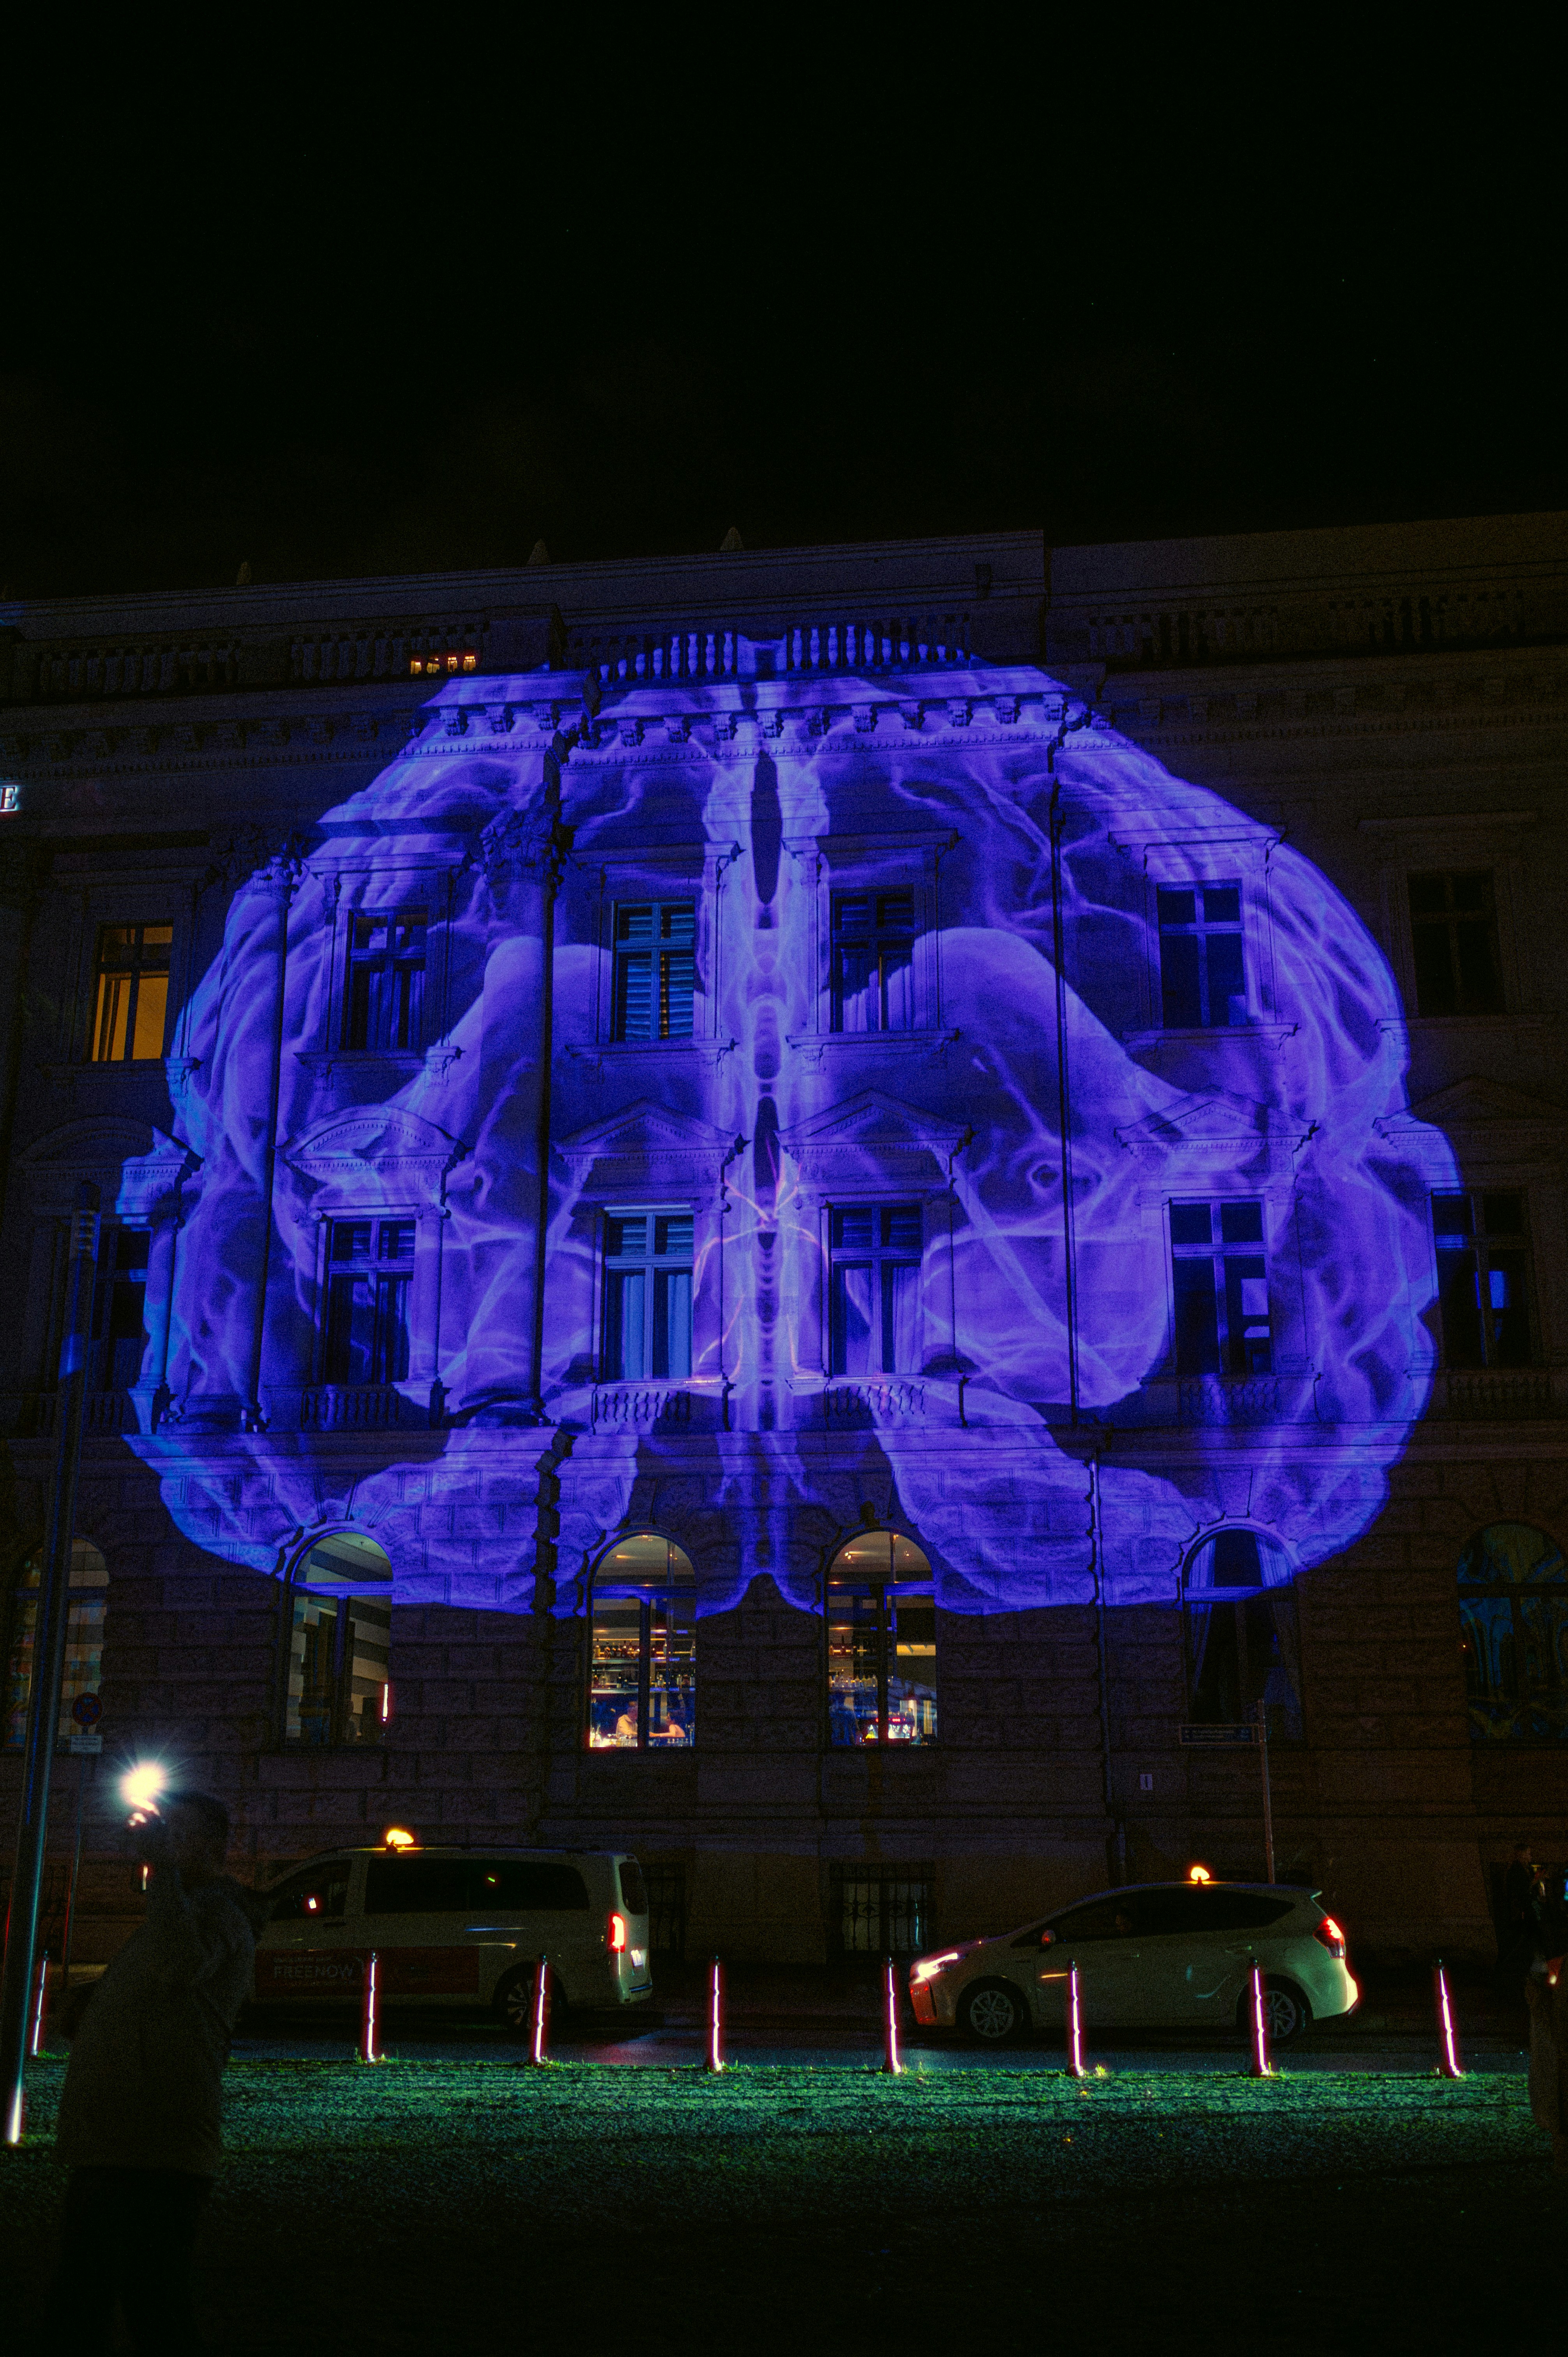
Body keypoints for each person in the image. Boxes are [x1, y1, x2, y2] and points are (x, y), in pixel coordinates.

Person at [48, 1789, 266, 2354]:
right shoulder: (181, 1910)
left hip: (155, 2148)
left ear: (214, 1846)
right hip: (119, 2140)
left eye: (178, 1833)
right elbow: (162, 1991)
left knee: (147, 2303)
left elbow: (178, 1964)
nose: (165, 1841)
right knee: (91, 2297)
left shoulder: (221, 1914)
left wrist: (162, 1872)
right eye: (162, 1831)